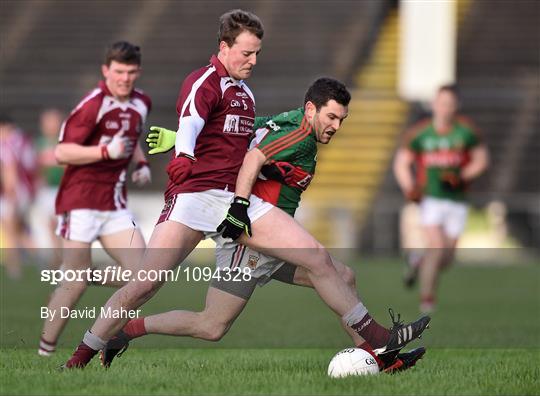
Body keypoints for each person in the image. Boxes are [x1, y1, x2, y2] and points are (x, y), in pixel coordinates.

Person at [64, 10, 429, 369]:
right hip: (194, 197)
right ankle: (81, 356)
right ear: (224, 47)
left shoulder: (245, 93)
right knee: (144, 287)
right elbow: (192, 118)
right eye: (247, 52)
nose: (253, 60)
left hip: (234, 200)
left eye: (257, 53)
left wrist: (235, 197)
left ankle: (380, 347)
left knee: (321, 263)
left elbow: (242, 133)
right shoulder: (205, 80)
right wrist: (184, 150)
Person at [38, 41, 152, 357]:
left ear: (137, 72)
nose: (124, 78)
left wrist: (139, 162)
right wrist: (103, 151)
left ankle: (89, 282)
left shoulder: (142, 102)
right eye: (118, 71)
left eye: (130, 72)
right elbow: (62, 152)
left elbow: (130, 137)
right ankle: (44, 354)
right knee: (72, 286)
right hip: (80, 202)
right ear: (106, 71)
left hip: (114, 204)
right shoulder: (93, 104)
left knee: (144, 275)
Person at [393, 84, 489, 313]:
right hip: (431, 199)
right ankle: (427, 301)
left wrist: (462, 176)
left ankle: (417, 261)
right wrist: (410, 187)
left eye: (449, 104)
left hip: (457, 201)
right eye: (441, 103)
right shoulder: (421, 133)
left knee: (446, 260)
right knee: (436, 248)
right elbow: (402, 163)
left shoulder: (466, 131)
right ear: (434, 104)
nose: (444, 108)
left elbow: (481, 160)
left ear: (456, 106)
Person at [0, 113, 38, 279]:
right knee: (20, 232)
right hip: (27, 192)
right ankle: (48, 262)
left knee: (11, 233)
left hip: (13, 192)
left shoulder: (6, 143)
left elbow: (10, 168)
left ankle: (15, 270)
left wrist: (11, 194)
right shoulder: (24, 140)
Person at [35, 108, 65, 265]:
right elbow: (36, 168)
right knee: (51, 225)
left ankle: (61, 259)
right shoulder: (39, 143)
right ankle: (57, 258)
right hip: (47, 191)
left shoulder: (65, 142)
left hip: (62, 189)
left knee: (60, 226)